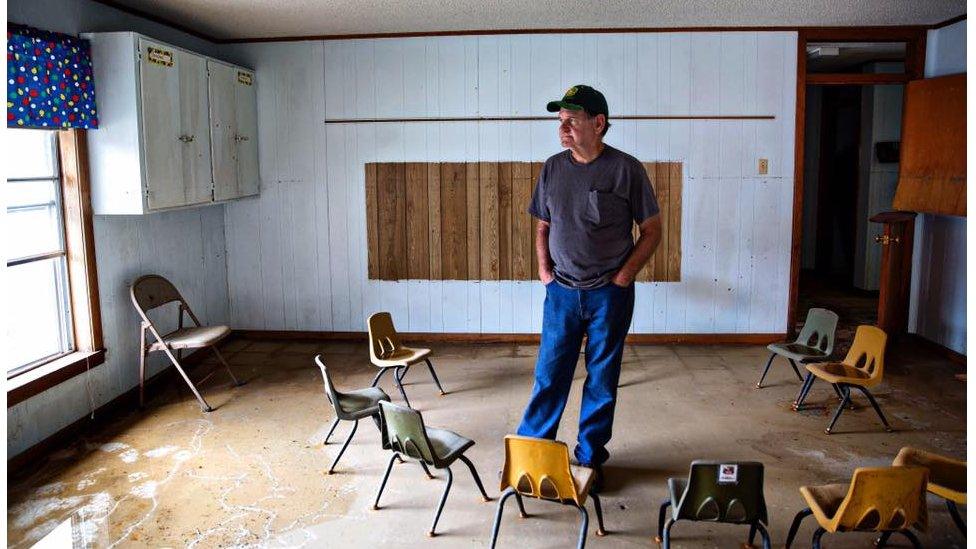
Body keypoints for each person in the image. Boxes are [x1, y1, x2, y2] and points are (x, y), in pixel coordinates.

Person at [516, 84, 662, 492]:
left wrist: (624, 277)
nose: (563, 129)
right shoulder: (552, 168)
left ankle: (590, 458)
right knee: (550, 373)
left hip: (608, 296)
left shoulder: (626, 169)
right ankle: (533, 449)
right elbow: (543, 224)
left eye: (572, 121)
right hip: (561, 292)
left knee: (601, 378)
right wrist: (545, 271)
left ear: (598, 123)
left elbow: (651, 231)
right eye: (560, 121)